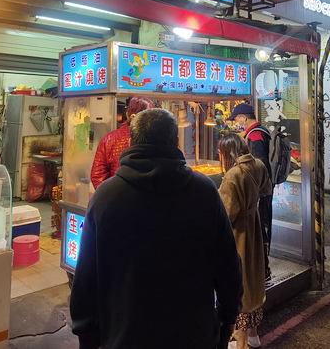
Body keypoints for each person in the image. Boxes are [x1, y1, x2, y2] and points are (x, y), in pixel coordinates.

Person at [70, 108, 243, 349]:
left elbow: (86, 274)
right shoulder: (205, 191)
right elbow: (228, 263)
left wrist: (86, 333)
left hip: (124, 336)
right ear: (176, 142)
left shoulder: (105, 196)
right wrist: (228, 315)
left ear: (130, 142)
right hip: (194, 335)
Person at [218, 134, 272, 349]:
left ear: (228, 152)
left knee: (240, 282)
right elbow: (267, 190)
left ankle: (241, 343)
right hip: (254, 227)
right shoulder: (258, 165)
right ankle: (253, 335)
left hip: (238, 233)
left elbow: (227, 213)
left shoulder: (232, 175)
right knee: (254, 276)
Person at [230, 102, 273, 285]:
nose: (236, 123)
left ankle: (264, 272)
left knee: (260, 232)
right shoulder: (261, 131)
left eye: (237, 119)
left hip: (260, 194)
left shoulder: (255, 135)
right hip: (263, 191)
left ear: (243, 118)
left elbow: (257, 166)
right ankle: (262, 271)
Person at [90, 95, 154, 189]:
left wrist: (111, 197)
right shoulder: (156, 137)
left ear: (127, 114)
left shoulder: (109, 139)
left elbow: (97, 176)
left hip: (117, 198)